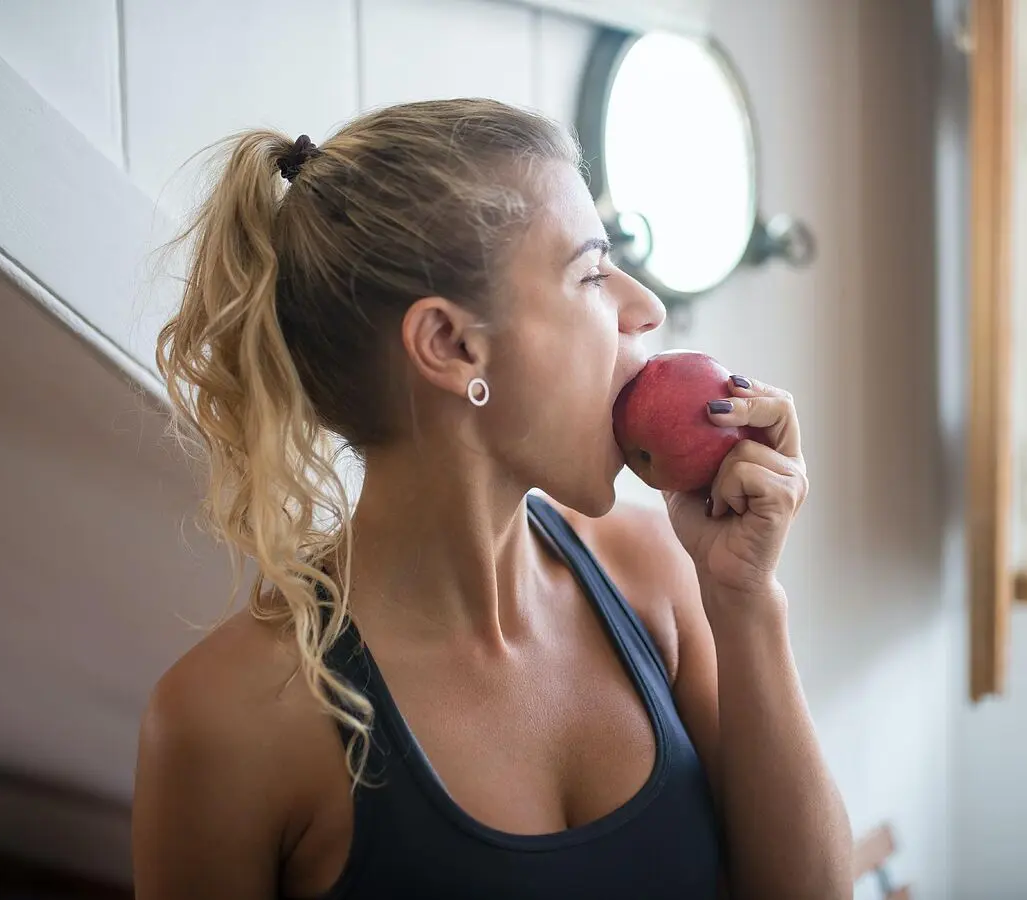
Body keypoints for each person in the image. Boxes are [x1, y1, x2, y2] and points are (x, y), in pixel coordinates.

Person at [131, 98, 852, 900]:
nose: (644, 307)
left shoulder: (654, 577)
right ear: (450, 345)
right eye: (590, 270)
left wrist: (746, 599)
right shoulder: (225, 726)